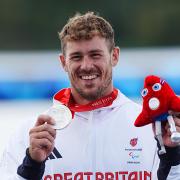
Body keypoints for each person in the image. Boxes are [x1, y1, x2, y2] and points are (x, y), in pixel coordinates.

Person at [0, 12, 180, 180]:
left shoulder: (155, 128)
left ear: (114, 56)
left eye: (95, 55)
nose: (86, 65)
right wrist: (31, 166)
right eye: (76, 57)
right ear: (63, 62)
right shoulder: (30, 134)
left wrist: (173, 156)